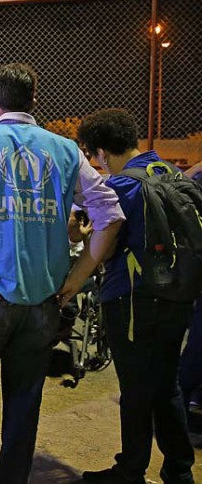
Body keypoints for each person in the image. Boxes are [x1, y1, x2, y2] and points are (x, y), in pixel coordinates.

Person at [0, 63, 124, 484]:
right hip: (43, 303)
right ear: (34, 102)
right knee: (23, 407)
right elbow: (110, 215)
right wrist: (77, 275)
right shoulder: (66, 151)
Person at [77, 108, 196, 484]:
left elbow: (106, 246)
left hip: (132, 298)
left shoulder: (120, 187)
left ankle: (130, 469)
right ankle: (179, 471)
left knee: (135, 389)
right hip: (178, 294)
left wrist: (82, 236)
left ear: (100, 152)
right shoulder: (171, 174)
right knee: (167, 384)